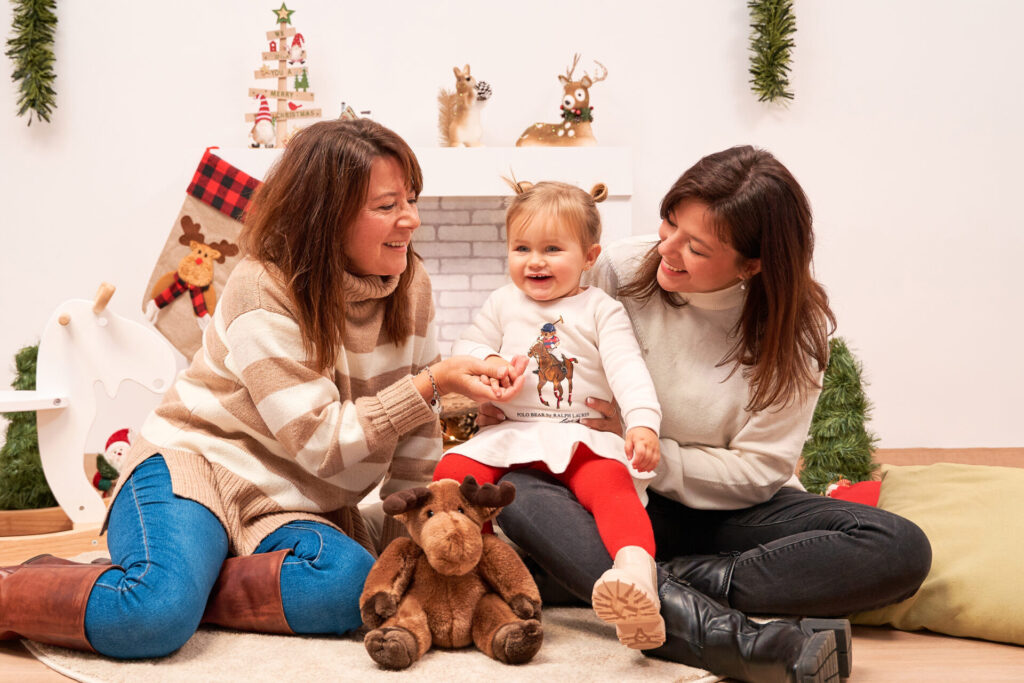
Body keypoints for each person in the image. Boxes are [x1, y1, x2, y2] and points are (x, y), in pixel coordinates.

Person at [0, 119, 519, 658]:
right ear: (326, 215)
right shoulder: (262, 286)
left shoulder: (412, 286)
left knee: (356, 589)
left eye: (411, 199)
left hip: (289, 505)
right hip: (196, 469)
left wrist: (407, 552)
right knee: (153, 614)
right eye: (386, 206)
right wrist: (432, 383)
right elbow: (320, 441)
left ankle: (195, 578)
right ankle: (15, 591)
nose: (410, 219)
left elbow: (414, 447)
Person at [491, 146, 933, 683]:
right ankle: (740, 641)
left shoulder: (795, 334)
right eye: (670, 223)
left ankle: (646, 580)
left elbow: (758, 472)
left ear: (752, 263)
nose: (666, 250)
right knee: (522, 492)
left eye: (695, 248)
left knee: (899, 549)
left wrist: (650, 451)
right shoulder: (616, 269)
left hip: (723, 513)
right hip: (610, 498)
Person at [432, 180, 667, 649]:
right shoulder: (503, 303)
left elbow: (628, 370)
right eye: (521, 248)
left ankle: (636, 574)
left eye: (552, 249)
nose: (534, 261)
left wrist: (642, 422)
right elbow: (466, 345)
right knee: (453, 471)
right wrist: (492, 362)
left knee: (611, 488)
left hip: (579, 433)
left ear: (589, 256)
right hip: (514, 431)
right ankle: (457, 556)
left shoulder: (602, 310)